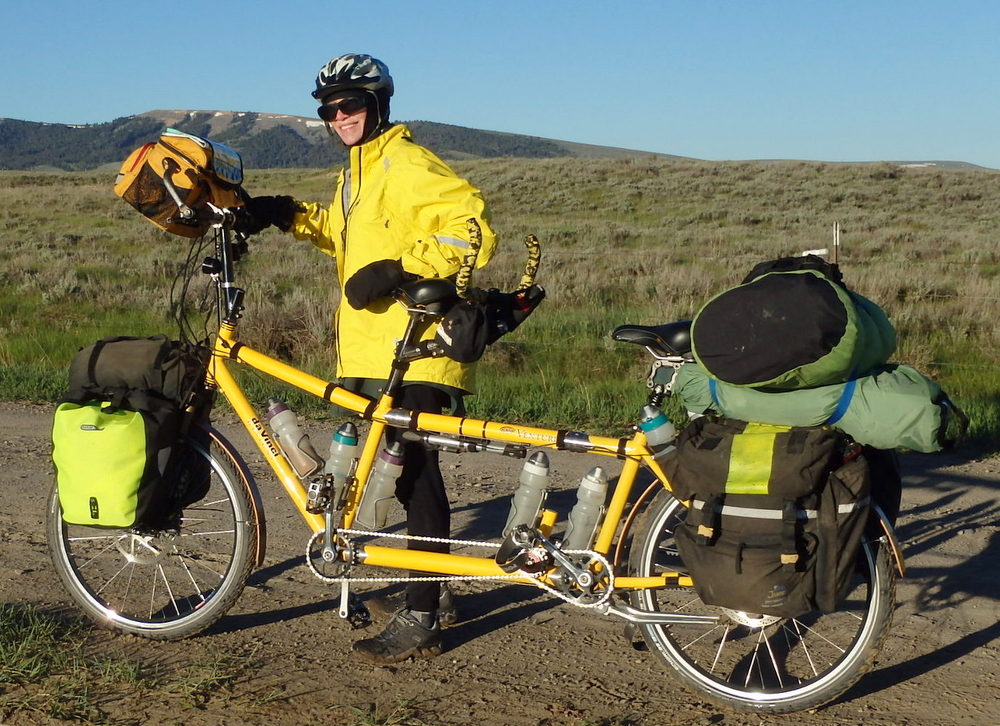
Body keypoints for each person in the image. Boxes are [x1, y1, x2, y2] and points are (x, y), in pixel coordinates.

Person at [236, 53, 496, 662]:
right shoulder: (358, 170)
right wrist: (288, 214)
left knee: (416, 473)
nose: (338, 117)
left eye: (350, 105)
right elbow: (352, 234)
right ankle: (426, 585)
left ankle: (425, 614)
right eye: (328, 109)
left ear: (379, 104)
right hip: (374, 349)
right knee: (397, 480)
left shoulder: (404, 161)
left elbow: (472, 228)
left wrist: (403, 271)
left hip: (418, 347)